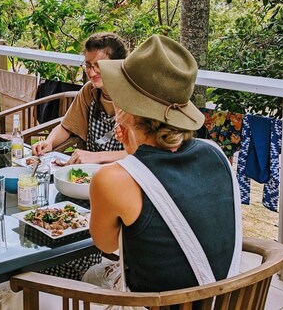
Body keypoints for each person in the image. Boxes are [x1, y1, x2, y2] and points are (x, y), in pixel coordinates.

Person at [89, 35, 240, 291]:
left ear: (129, 105)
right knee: (95, 275)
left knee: (10, 293)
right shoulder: (215, 153)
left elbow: (106, 245)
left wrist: (130, 149)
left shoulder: (114, 179)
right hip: (217, 299)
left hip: (153, 304)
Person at [32, 32, 129, 164]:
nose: (91, 72)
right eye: (88, 65)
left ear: (118, 64)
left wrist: (97, 157)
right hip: (88, 172)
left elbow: (144, 154)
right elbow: (67, 127)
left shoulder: (134, 96)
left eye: (99, 65)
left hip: (124, 174)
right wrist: (49, 142)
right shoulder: (90, 91)